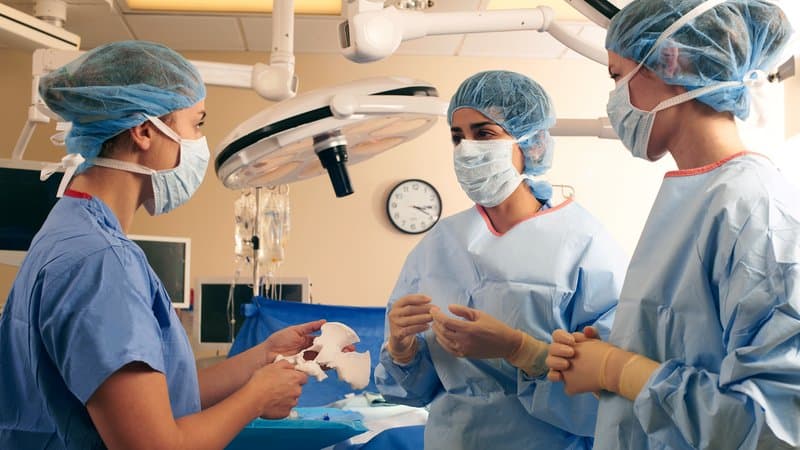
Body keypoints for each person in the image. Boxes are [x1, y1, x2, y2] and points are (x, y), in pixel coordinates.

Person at [0, 40, 320, 449]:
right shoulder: (100, 262)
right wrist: (257, 397)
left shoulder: (72, 229)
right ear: (145, 131)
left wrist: (262, 358)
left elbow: (150, 401)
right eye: (196, 124)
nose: (199, 142)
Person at [545, 1, 800, 449]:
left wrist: (619, 370)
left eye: (616, 75)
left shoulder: (753, 208)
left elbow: (775, 427)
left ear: (671, 61)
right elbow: (688, 342)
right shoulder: (697, 196)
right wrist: (610, 349)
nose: (615, 97)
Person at [374, 70, 628, 449]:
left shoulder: (584, 244)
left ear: (534, 145)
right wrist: (402, 349)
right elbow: (413, 391)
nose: (466, 148)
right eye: (457, 137)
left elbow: (609, 394)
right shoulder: (439, 244)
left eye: (484, 134)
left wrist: (519, 351)